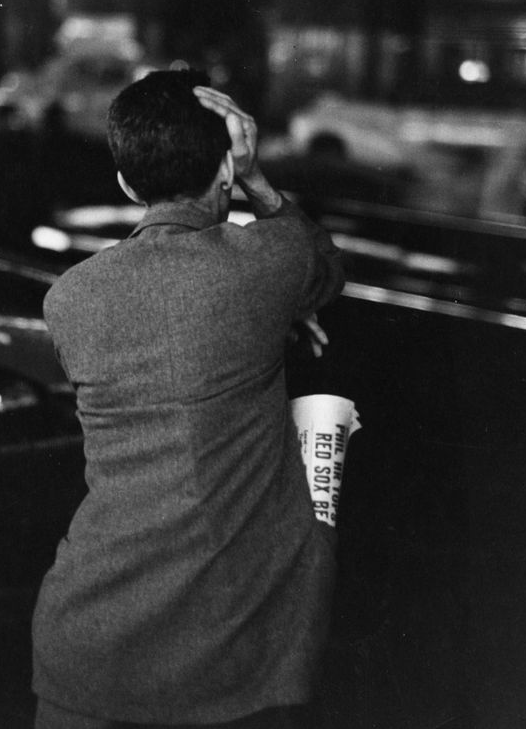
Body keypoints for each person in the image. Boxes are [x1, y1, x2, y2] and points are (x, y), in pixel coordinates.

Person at [32, 69, 345, 729]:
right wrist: (259, 182)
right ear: (226, 168)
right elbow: (322, 265)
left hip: (89, 642)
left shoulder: (70, 297)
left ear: (125, 183)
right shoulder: (267, 265)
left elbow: (162, 343)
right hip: (227, 656)